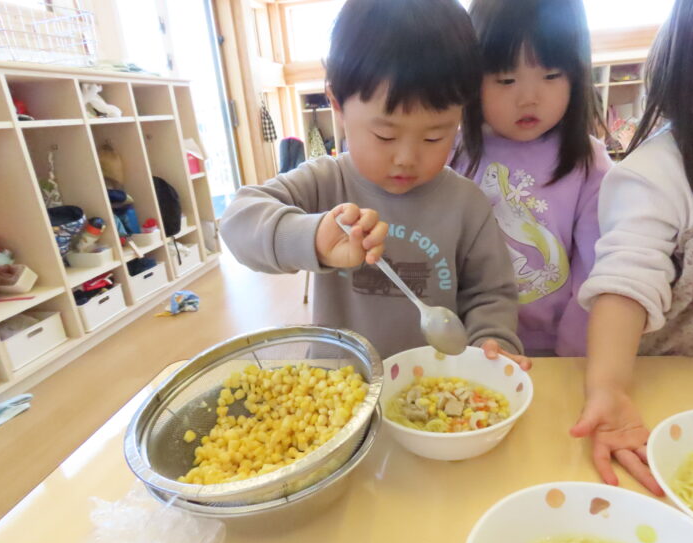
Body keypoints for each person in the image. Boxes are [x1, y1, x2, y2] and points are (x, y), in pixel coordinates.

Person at [220, 0, 528, 366]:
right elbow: (237, 221)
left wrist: (491, 340)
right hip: (337, 383)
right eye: (385, 135)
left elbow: (491, 295)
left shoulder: (466, 204)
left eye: (434, 137)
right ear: (337, 104)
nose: (406, 158)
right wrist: (312, 238)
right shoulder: (324, 181)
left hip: (436, 384)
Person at [572, 0, 693, 495]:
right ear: (685, 63)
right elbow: (626, 281)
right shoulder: (656, 172)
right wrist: (608, 388)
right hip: (664, 387)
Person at [451, 0, 612, 357]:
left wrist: (573, 357)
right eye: (506, 80)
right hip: (470, 352)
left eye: (551, 75)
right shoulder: (449, 152)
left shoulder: (590, 163)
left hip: (557, 352)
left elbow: (595, 272)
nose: (529, 99)